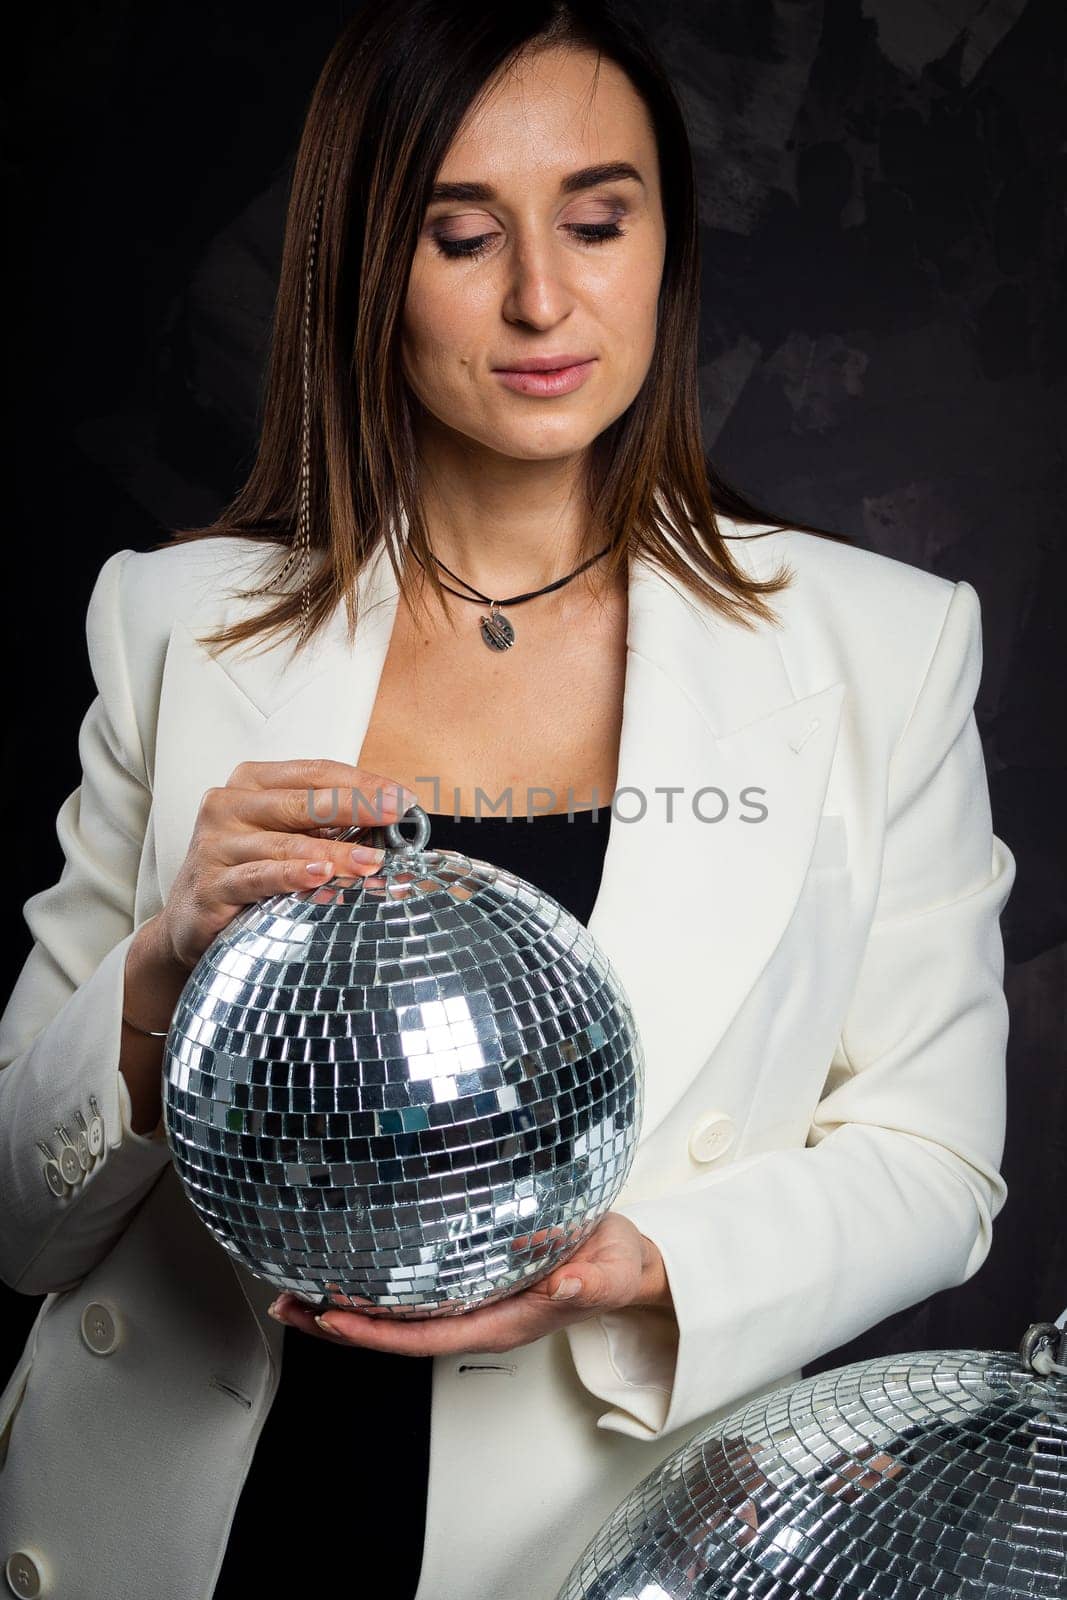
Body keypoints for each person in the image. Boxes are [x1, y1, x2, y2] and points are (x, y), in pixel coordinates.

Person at [0, 3, 1016, 1598]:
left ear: (668, 246)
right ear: (358, 268)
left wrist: (638, 1269)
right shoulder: (176, 620)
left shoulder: (884, 646)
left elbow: (934, 1161)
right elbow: (18, 1219)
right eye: (462, 238)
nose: (545, 298)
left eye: (598, 222)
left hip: (587, 1526)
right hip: (169, 1514)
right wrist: (153, 978)